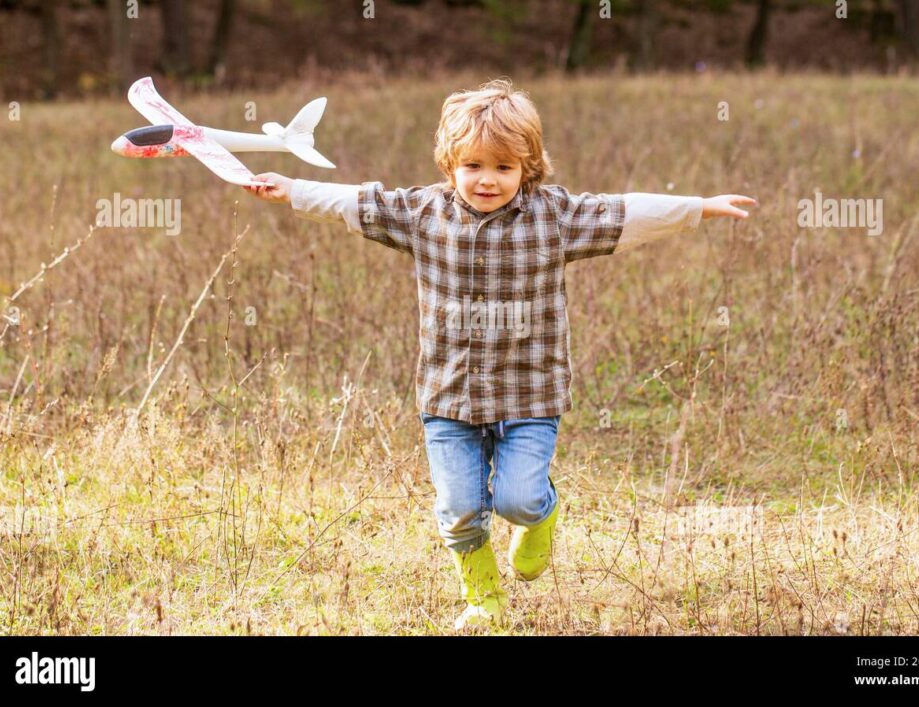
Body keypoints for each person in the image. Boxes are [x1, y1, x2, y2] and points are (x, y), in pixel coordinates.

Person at [243, 78, 755, 631]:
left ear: (527, 168)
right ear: (450, 165)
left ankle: (542, 515)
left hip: (529, 394)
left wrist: (699, 207)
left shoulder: (553, 217)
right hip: (448, 396)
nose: (488, 180)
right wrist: (290, 187)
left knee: (518, 502)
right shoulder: (422, 213)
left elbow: (626, 213)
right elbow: (352, 201)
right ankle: (482, 599)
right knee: (459, 511)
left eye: (504, 168)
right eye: (474, 166)